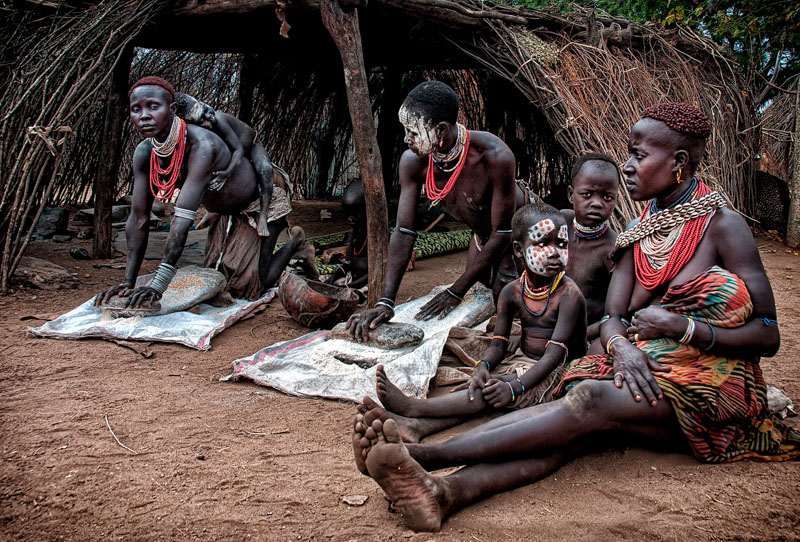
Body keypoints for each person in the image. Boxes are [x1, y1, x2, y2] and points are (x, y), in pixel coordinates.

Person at [350, 103, 800, 532]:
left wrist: (684, 328)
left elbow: (767, 333)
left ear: (679, 161)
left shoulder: (722, 227)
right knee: (567, 432)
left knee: (587, 400)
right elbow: (614, 318)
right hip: (643, 369)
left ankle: (424, 458)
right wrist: (621, 346)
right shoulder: (641, 232)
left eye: (638, 156)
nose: (627, 165)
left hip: (709, 388)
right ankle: (441, 493)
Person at [360, 203, 586, 444]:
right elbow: (499, 344)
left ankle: (415, 408)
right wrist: (482, 366)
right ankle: (416, 427)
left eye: (562, 244)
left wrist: (514, 388)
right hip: (524, 362)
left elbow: (553, 357)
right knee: (482, 386)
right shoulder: (512, 293)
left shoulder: (569, 294)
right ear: (519, 251)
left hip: (561, 369)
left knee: (494, 389)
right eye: (543, 244)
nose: (554, 252)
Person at [94, 76, 305, 309]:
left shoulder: (202, 144)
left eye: (153, 106)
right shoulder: (145, 152)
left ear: (172, 109)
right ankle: (224, 223)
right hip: (223, 206)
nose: (144, 115)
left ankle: (295, 241)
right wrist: (128, 282)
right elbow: (139, 217)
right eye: (136, 109)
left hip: (257, 197)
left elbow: (182, 218)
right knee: (219, 279)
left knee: (251, 286)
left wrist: (158, 285)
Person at [348, 81, 529, 340]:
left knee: (505, 296)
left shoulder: (494, 155)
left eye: (413, 132)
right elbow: (404, 230)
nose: (406, 139)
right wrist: (385, 302)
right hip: (482, 234)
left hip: (517, 233)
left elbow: (502, 231)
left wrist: (456, 290)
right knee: (480, 294)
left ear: (440, 130)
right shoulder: (414, 162)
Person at [173, 92, 279, 237]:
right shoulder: (197, 132)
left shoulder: (219, 118)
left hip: (251, 146)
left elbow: (238, 149)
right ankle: (213, 210)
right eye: (201, 119)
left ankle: (263, 216)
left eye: (206, 113)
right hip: (228, 150)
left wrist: (227, 172)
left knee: (266, 170)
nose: (208, 118)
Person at [559, 152, 619, 345]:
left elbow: (615, 313)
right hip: (548, 322)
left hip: (585, 333)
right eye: (587, 194)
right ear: (571, 194)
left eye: (607, 197)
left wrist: (581, 334)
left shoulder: (612, 250)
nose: (596, 203)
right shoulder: (560, 223)